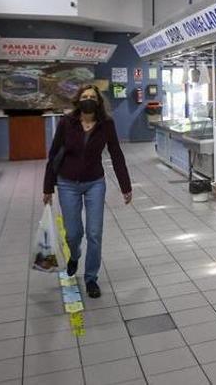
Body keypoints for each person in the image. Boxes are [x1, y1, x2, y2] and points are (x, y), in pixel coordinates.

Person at [43, 84, 133, 298]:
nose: (88, 99)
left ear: (98, 102)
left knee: (94, 233)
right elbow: (53, 154)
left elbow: (116, 154)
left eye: (92, 96)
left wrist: (125, 186)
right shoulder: (66, 123)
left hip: (95, 182)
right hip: (67, 183)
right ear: (78, 100)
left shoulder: (106, 125)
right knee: (73, 233)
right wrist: (48, 187)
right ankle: (74, 256)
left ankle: (91, 278)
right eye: (84, 96)